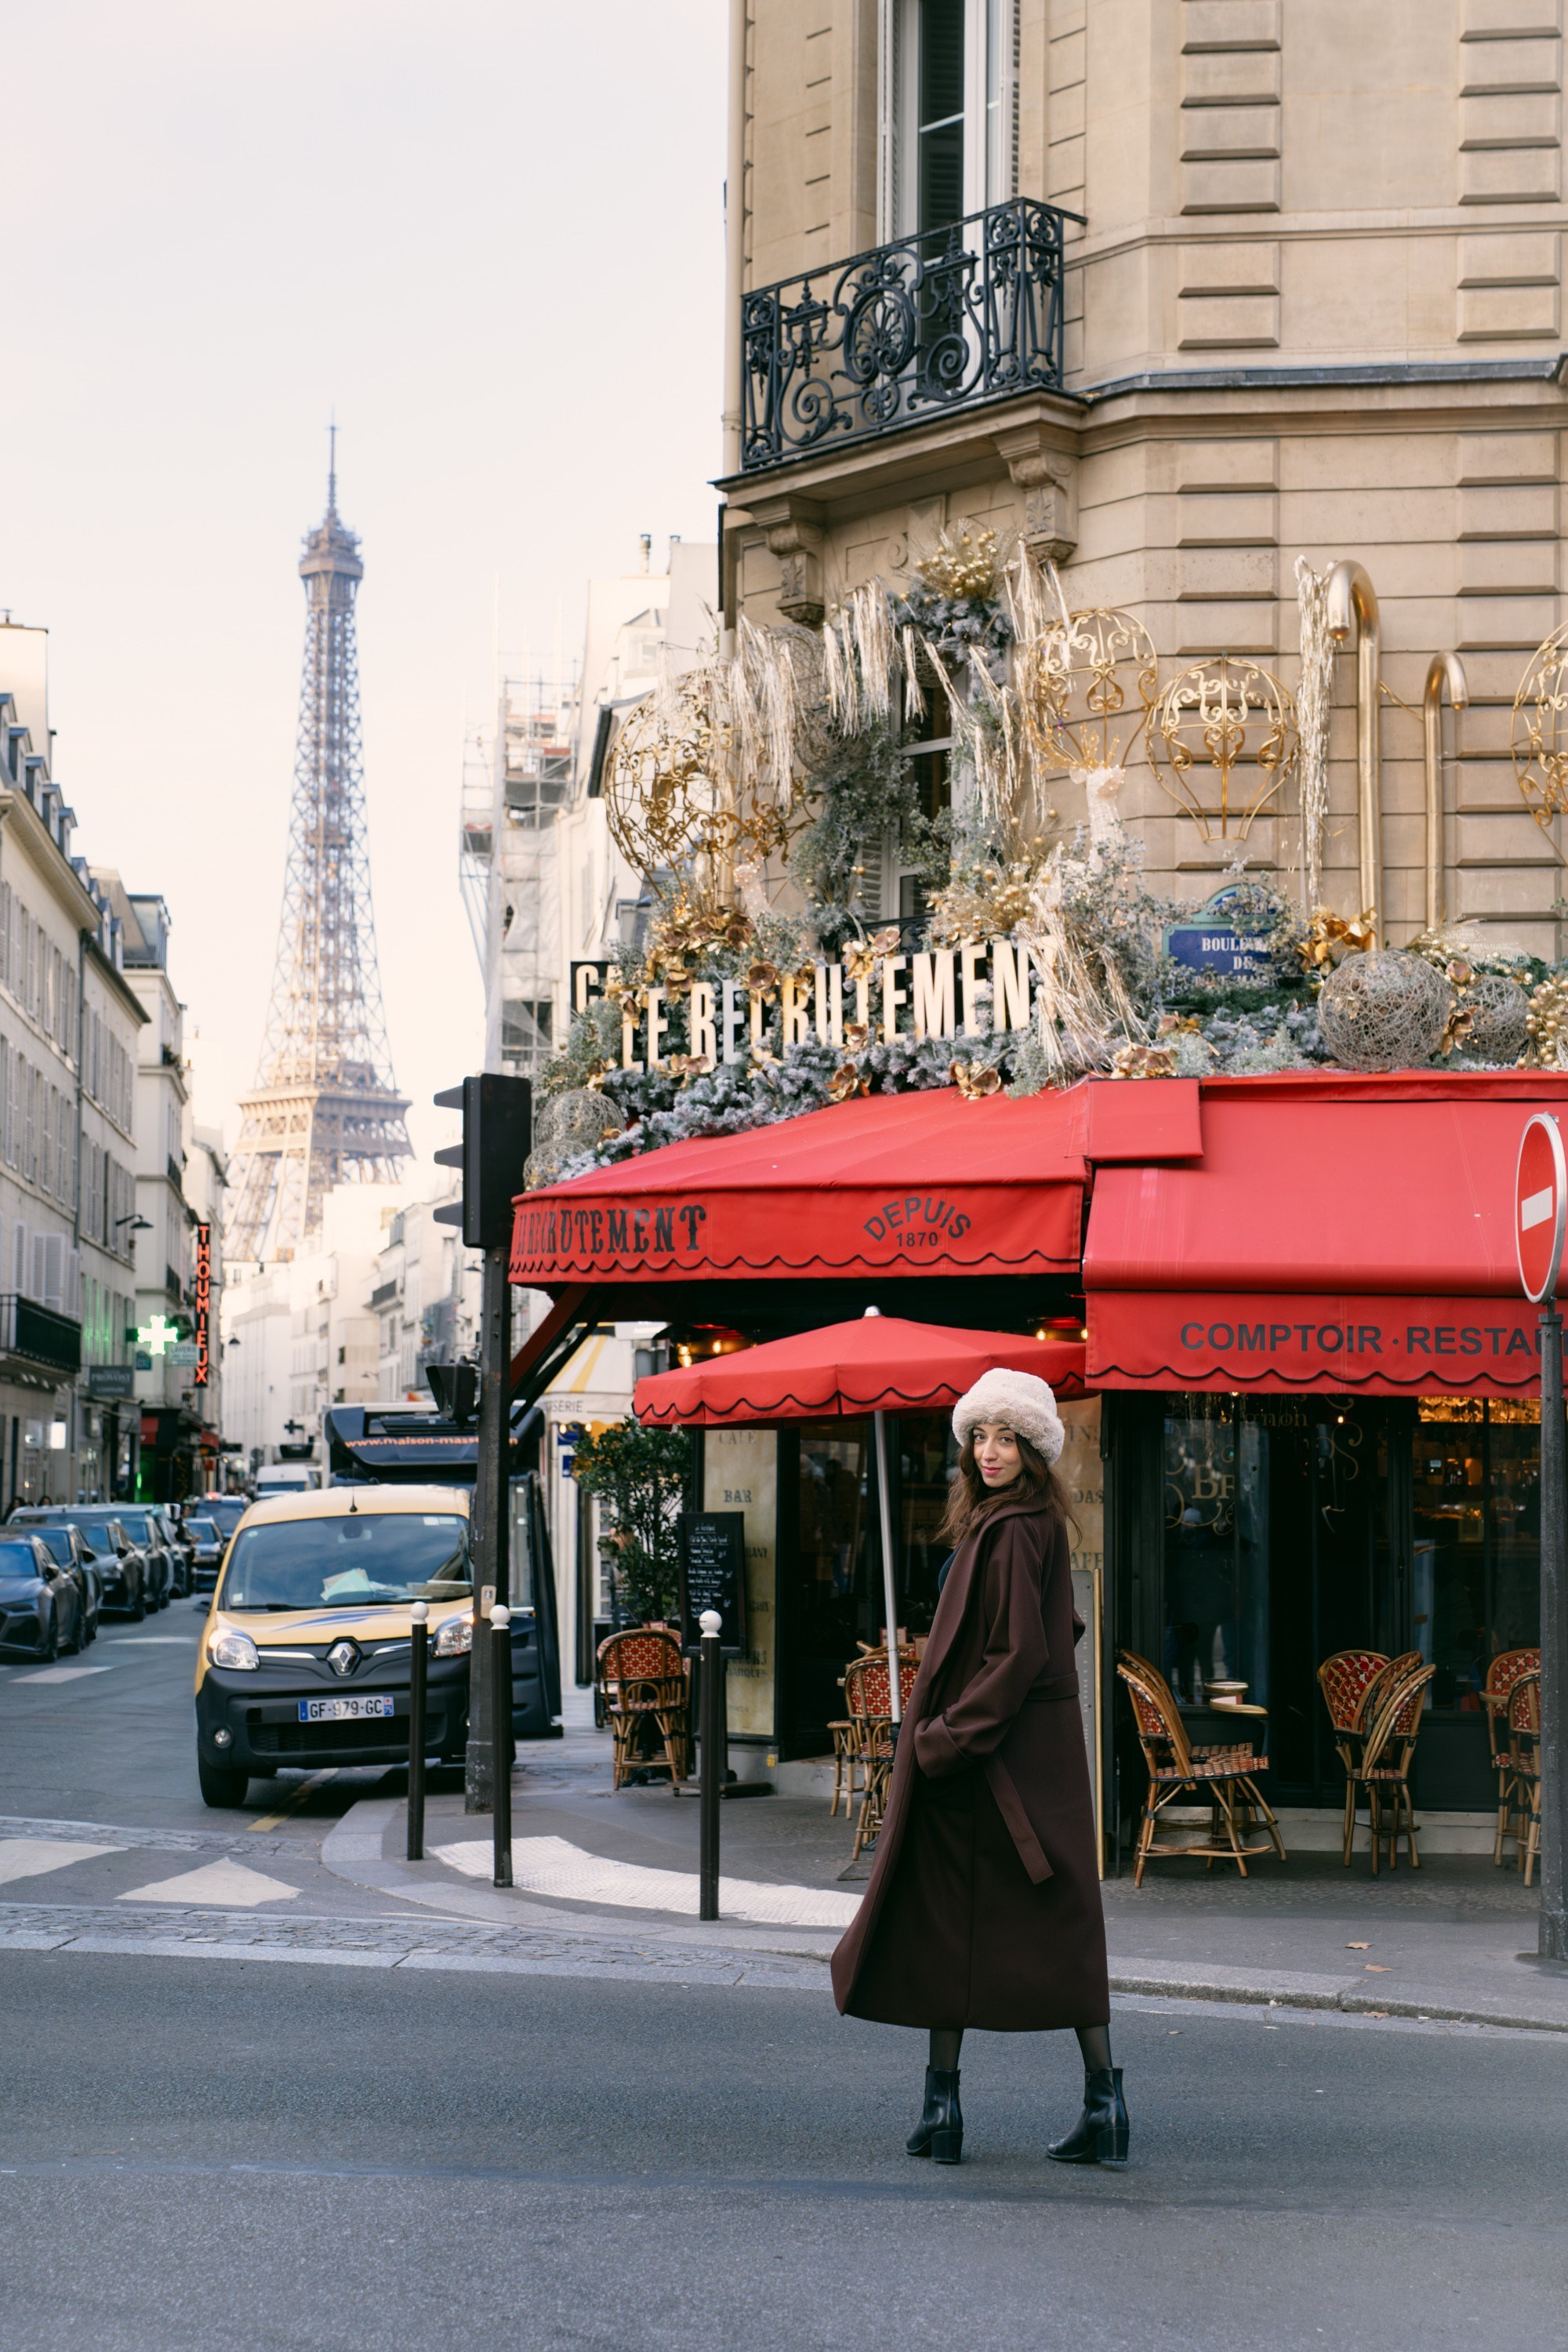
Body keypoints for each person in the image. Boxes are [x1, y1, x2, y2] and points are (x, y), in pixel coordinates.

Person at [830, 1368, 1125, 2168]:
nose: (989, 1451)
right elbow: (1053, 1628)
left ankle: (947, 2111)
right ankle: (1082, 2108)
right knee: (1019, 1925)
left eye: (1007, 1437)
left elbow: (1022, 1648)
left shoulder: (1012, 1527)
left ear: (1033, 1449)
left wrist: (945, 1738)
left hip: (985, 1762)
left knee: (953, 1922)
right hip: (1020, 1760)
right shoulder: (1022, 1523)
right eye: (979, 1436)